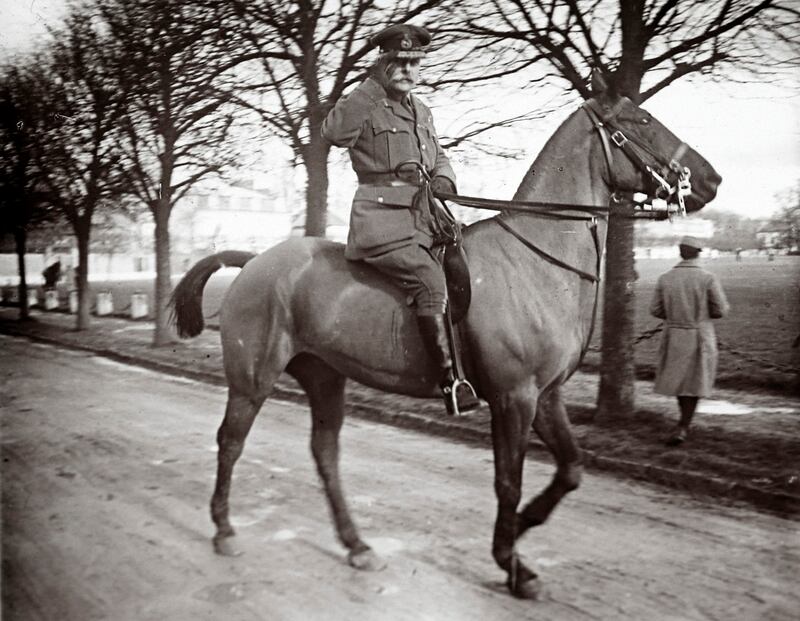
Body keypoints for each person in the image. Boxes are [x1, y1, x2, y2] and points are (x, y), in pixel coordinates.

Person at [321, 23, 477, 415]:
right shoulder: (366, 102)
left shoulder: (421, 110)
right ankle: (450, 383)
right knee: (429, 281)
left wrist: (444, 178)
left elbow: (438, 155)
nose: (408, 70)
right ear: (383, 64)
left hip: (424, 220)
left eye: (414, 63)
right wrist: (372, 85)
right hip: (381, 223)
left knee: (466, 268)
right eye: (398, 62)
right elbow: (334, 132)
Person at [649, 236, 730, 446]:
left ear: (680, 252)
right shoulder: (707, 278)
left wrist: (675, 314)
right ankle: (683, 426)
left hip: (674, 335)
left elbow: (655, 310)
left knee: (680, 382)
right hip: (699, 335)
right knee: (694, 382)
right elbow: (720, 310)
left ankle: (683, 424)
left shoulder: (665, 278)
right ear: (697, 253)